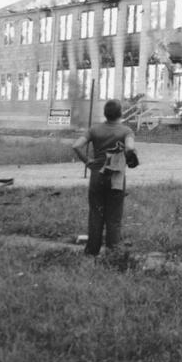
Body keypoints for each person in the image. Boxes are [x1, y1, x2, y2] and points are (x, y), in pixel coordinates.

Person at [71, 100, 138, 256]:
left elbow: (76, 145)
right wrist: (129, 156)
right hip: (116, 178)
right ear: (120, 113)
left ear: (105, 113)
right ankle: (113, 254)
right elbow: (130, 147)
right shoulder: (126, 131)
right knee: (114, 217)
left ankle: (91, 252)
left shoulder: (94, 129)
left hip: (97, 176)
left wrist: (87, 161)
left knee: (95, 214)